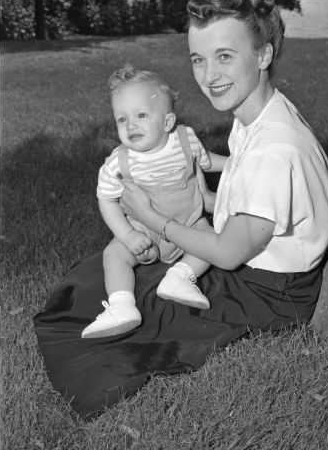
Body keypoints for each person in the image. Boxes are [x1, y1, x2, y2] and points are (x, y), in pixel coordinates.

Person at [34, 0, 328, 421]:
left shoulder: (275, 149)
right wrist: (201, 182)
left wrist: (153, 218)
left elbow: (230, 253)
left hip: (270, 291)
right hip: (249, 254)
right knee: (96, 277)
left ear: (263, 55)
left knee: (131, 318)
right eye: (198, 59)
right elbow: (240, 185)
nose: (209, 74)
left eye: (224, 56)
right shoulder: (257, 113)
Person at [81, 65, 228, 339]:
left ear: (168, 122)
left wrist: (234, 163)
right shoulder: (118, 162)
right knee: (114, 254)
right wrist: (128, 235)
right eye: (122, 119)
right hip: (143, 230)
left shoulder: (186, 140)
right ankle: (122, 306)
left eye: (141, 115)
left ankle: (181, 276)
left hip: (189, 223)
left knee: (211, 237)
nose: (131, 125)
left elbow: (206, 161)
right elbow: (106, 200)